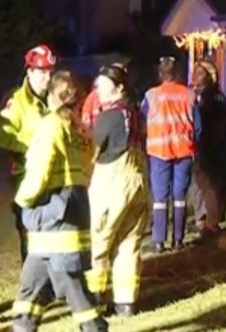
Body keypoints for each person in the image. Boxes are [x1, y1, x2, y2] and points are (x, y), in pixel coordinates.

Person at [12, 70, 107, 331]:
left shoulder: (51, 125)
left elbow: (39, 170)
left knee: (73, 286)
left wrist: (23, 200)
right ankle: (23, 325)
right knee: (32, 284)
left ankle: (94, 327)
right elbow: (88, 166)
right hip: (72, 207)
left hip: (53, 211)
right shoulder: (80, 128)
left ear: (52, 95)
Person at [86, 64, 149, 318]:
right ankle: (126, 303)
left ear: (119, 87)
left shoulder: (109, 115)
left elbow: (93, 151)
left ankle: (95, 299)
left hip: (112, 181)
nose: (97, 89)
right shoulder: (133, 112)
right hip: (138, 180)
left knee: (99, 242)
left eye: (103, 85)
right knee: (129, 244)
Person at [0, 45, 57, 262]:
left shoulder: (55, 99)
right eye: (42, 72)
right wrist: (32, 149)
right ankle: (35, 284)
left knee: (54, 231)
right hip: (25, 174)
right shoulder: (16, 101)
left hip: (55, 176)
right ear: (29, 72)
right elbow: (3, 137)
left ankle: (52, 281)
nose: (47, 77)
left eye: (50, 71)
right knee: (29, 233)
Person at [142, 56, 201, 252]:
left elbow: (143, 119)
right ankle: (178, 239)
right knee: (179, 196)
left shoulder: (151, 96)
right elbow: (198, 126)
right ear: (176, 73)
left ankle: (158, 241)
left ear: (160, 73)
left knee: (160, 198)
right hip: (183, 151)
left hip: (159, 152)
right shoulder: (189, 95)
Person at [190, 61, 226, 237]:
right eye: (195, 73)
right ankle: (205, 219)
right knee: (204, 184)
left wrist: (206, 145)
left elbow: (216, 124)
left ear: (210, 77)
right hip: (210, 144)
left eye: (200, 74)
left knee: (213, 184)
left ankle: (211, 223)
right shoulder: (201, 96)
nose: (195, 77)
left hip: (215, 145)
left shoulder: (213, 98)